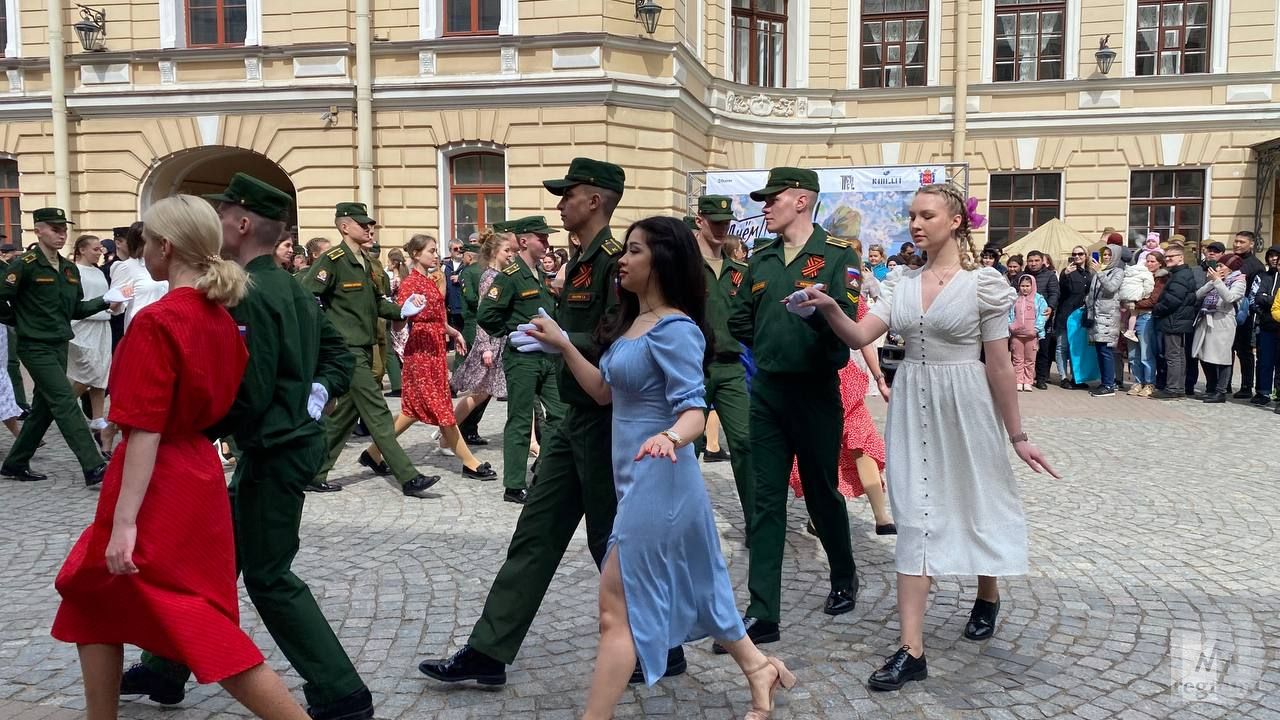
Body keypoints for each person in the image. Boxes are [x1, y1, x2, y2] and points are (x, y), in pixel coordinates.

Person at [420, 158, 688, 688]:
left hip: (611, 423)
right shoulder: (583, 261)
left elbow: (633, 339)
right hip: (572, 421)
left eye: (569, 194)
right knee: (536, 533)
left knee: (610, 539)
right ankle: (488, 651)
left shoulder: (616, 262)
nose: (560, 202)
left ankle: (663, 644)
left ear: (595, 200)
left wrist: (563, 341)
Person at [119, 176, 373, 720]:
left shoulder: (252, 290)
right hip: (282, 443)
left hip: (274, 448)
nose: (215, 223)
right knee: (217, 564)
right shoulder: (288, 284)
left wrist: (186, 431)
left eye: (222, 213)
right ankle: (165, 669)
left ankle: (341, 691)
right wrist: (316, 391)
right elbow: (338, 354)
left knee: (269, 575)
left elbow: (247, 390)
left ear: (239, 224)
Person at [50, 194, 311, 720]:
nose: (141, 247)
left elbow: (144, 430)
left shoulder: (159, 320)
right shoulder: (219, 316)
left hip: (158, 477)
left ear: (165, 247)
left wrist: (126, 523)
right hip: (197, 468)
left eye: (146, 239)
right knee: (90, 595)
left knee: (194, 619)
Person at [525, 216, 796, 719]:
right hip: (636, 476)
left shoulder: (676, 329)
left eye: (634, 251)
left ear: (662, 260)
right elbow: (606, 394)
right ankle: (760, 668)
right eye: (624, 251)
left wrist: (669, 436)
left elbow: (695, 409)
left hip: (661, 479)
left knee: (615, 611)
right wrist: (563, 344)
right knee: (704, 585)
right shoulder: (633, 324)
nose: (622, 261)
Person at [792, 183, 1058, 690]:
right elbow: (858, 336)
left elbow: (999, 366)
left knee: (974, 499)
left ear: (956, 221)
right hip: (913, 402)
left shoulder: (985, 285)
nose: (916, 223)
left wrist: (1018, 434)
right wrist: (828, 307)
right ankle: (910, 649)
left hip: (967, 400)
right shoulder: (900, 283)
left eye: (927, 215)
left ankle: (988, 593)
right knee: (915, 513)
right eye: (911, 215)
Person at [722, 166, 861, 654]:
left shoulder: (838, 256)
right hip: (768, 393)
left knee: (822, 493)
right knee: (764, 500)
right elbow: (739, 315)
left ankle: (843, 575)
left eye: (772, 199)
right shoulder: (761, 261)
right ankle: (762, 612)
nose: (765, 207)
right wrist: (767, 342)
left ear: (801, 200)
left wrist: (818, 316)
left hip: (816, 391)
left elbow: (845, 319)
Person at [301, 203, 439, 498]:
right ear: (344, 227)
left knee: (343, 417)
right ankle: (408, 476)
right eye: (363, 224)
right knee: (377, 412)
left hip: (365, 346)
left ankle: (312, 472)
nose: (369, 229)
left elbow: (377, 304)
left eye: (370, 225)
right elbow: (308, 298)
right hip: (346, 349)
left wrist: (402, 311)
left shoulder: (366, 263)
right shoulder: (333, 260)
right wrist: (328, 335)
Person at [0, 208, 130, 486]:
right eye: (54, 228)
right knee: (64, 402)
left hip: (60, 343)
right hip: (35, 346)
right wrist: (20, 322)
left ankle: (15, 463)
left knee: (45, 407)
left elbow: (76, 309)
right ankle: (94, 466)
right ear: (38, 231)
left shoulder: (68, 269)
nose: (61, 234)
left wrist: (107, 300)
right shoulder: (26, 265)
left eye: (64, 229)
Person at [360, 234, 495, 480]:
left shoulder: (429, 280)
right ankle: (470, 462)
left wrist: (454, 333)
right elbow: (399, 321)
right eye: (431, 251)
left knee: (411, 411)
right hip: (420, 351)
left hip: (434, 348)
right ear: (415, 254)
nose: (436, 255)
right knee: (440, 406)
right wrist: (406, 312)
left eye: (435, 250)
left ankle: (373, 452)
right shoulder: (410, 283)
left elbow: (437, 318)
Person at [476, 216, 566, 503]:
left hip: (548, 358)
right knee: (520, 419)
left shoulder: (540, 274)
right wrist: (511, 331)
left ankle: (543, 468)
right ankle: (514, 484)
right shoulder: (510, 275)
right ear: (524, 240)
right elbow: (486, 314)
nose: (547, 243)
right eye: (542, 238)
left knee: (560, 415)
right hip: (523, 358)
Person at [690, 195, 754, 534]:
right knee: (690, 446)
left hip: (730, 367)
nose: (719, 228)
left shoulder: (741, 272)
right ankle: (682, 521)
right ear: (700, 220)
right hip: (691, 368)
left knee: (744, 442)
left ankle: (756, 522)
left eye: (725, 223)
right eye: (713, 221)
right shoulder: (683, 268)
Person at [450, 230, 512, 467]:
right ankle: (447, 434)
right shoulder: (490, 277)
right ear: (495, 252)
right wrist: (485, 346)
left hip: (499, 341)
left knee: (481, 394)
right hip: (491, 343)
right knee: (478, 394)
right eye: (507, 250)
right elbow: (483, 315)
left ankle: (447, 435)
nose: (511, 255)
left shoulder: (499, 274)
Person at [67, 234, 114, 452]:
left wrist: (115, 306)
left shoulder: (98, 271)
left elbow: (104, 297)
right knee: (88, 371)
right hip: (83, 328)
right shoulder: (73, 271)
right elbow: (78, 304)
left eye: (100, 249)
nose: (100, 252)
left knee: (100, 373)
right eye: (95, 249)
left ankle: (97, 417)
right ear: (82, 250)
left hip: (102, 326)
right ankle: (63, 407)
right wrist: (101, 308)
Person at [1191, 254, 1246, 403]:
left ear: (1231, 268)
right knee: (1203, 354)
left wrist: (1217, 281)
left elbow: (1230, 297)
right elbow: (1198, 295)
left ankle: (1221, 391)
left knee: (1221, 357)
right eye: (1218, 266)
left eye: (1222, 266)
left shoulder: (1239, 281)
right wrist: (1212, 282)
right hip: (1207, 316)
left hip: (1223, 320)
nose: (1218, 268)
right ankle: (1211, 387)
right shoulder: (1217, 280)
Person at [456, 235, 491, 446]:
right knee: (482, 385)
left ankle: (464, 427)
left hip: (472, 324)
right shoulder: (487, 271)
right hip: (484, 327)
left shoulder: (468, 272)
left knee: (480, 383)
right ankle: (467, 428)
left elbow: (469, 297)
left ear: (469, 255)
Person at [1151, 245, 1199, 400]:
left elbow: (1173, 300)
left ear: (1181, 257)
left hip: (1174, 319)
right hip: (1178, 319)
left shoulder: (1180, 275)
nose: (1168, 259)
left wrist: (1156, 308)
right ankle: (1178, 387)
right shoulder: (1180, 274)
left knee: (1173, 355)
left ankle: (1173, 388)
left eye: (1172, 256)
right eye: (1166, 256)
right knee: (1178, 355)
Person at [108, 222, 170, 333]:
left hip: (164, 326)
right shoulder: (126, 267)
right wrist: (119, 296)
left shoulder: (162, 265)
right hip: (140, 328)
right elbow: (114, 307)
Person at [1084, 244, 1125, 397]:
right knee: (1100, 350)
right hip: (1096, 316)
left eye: (1109, 254)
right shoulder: (1099, 271)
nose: (1106, 257)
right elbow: (1093, 293)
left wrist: (1099, 272)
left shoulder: (1118, 271)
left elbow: (1111, 288)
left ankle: (1109, 384)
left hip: (1108, 317)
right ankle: (1105, 381)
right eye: (1104, 254)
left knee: (1106, 350)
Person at [1230, 231, 1265, 399]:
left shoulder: (1255, 265)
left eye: (1241, 242)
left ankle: (1246, 386)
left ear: (1251, 244)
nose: (1237, 244)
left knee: (1244, 351)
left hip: (1246, 314)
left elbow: (1254, 292)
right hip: (1227, 312)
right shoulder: (1231, 260)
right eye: (1236, 241)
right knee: (1227, 349)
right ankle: (1225, 384)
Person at [1055, 245, 1093, 388]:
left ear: (1086, 256)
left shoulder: (1089, 274)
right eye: (1074, 254)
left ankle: (1077, 378)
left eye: (1080, 254)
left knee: (1078, 347)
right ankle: (1063, 377)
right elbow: (1061, 290)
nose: (1077, 256)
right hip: (1066, 314)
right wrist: (1064, 275)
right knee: (1062, 346)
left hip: (1081, 316)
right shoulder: (1067, 272)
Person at [1129, 252, 1165, 397]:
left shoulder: (1161, 279)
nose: (1149, 264)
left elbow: (1154, 300)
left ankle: (1149, 382)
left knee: (1146, 352)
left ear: (1159, 263)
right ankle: (1138, 381)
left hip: (1146, 316)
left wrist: (1135, 303)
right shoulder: (1139, 275)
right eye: (1147, 261)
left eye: (1152, 261)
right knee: (1133, 354)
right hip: (1132, 316)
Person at [1248, 246, 1280, 408]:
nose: (1274, 259)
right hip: (1266, 325)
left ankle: (1278, 394)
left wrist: (1270, 299)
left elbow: (1268, 298)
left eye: (1277, 256)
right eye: (1271, 256)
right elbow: (1257, 298)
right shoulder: (1264, 277)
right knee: (1264, 361)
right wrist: (1272, 302)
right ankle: (1263, 392)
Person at [1023, 250, 1058, 389]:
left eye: (1036, 261)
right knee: (1024, 351)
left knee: (1043, 350)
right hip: (1024, 319)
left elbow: (1054, 293)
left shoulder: (1050, 276)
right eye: (1031, 261)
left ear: (1042, 261)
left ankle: (1041, 378)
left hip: (1043, 319)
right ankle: (1024, 377)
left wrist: (1051, 306)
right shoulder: (1023, 276)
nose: (1033, 263)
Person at [1009, 274, 1049, 392]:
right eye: (1022, 286)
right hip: (1017, 335)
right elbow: (1009, 314)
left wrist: (1036, 329)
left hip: (1032, 336)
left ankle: (1028, 381)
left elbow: (1043, 315)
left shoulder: (1039, 299)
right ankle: (1018, 380)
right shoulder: (1014, 299)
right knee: (1017, 359)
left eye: (1027, 286)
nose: (1024, 288)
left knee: (1030, 360)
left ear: (1032, 286)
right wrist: (1011, 326)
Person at [443, 238, 466, 335]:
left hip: (464, 306)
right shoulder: (444, 266)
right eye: (455, 249)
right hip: (451, 307)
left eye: (461, 248)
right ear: (450, 251)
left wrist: (460, 278)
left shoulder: (467, 264)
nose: (459, 251)